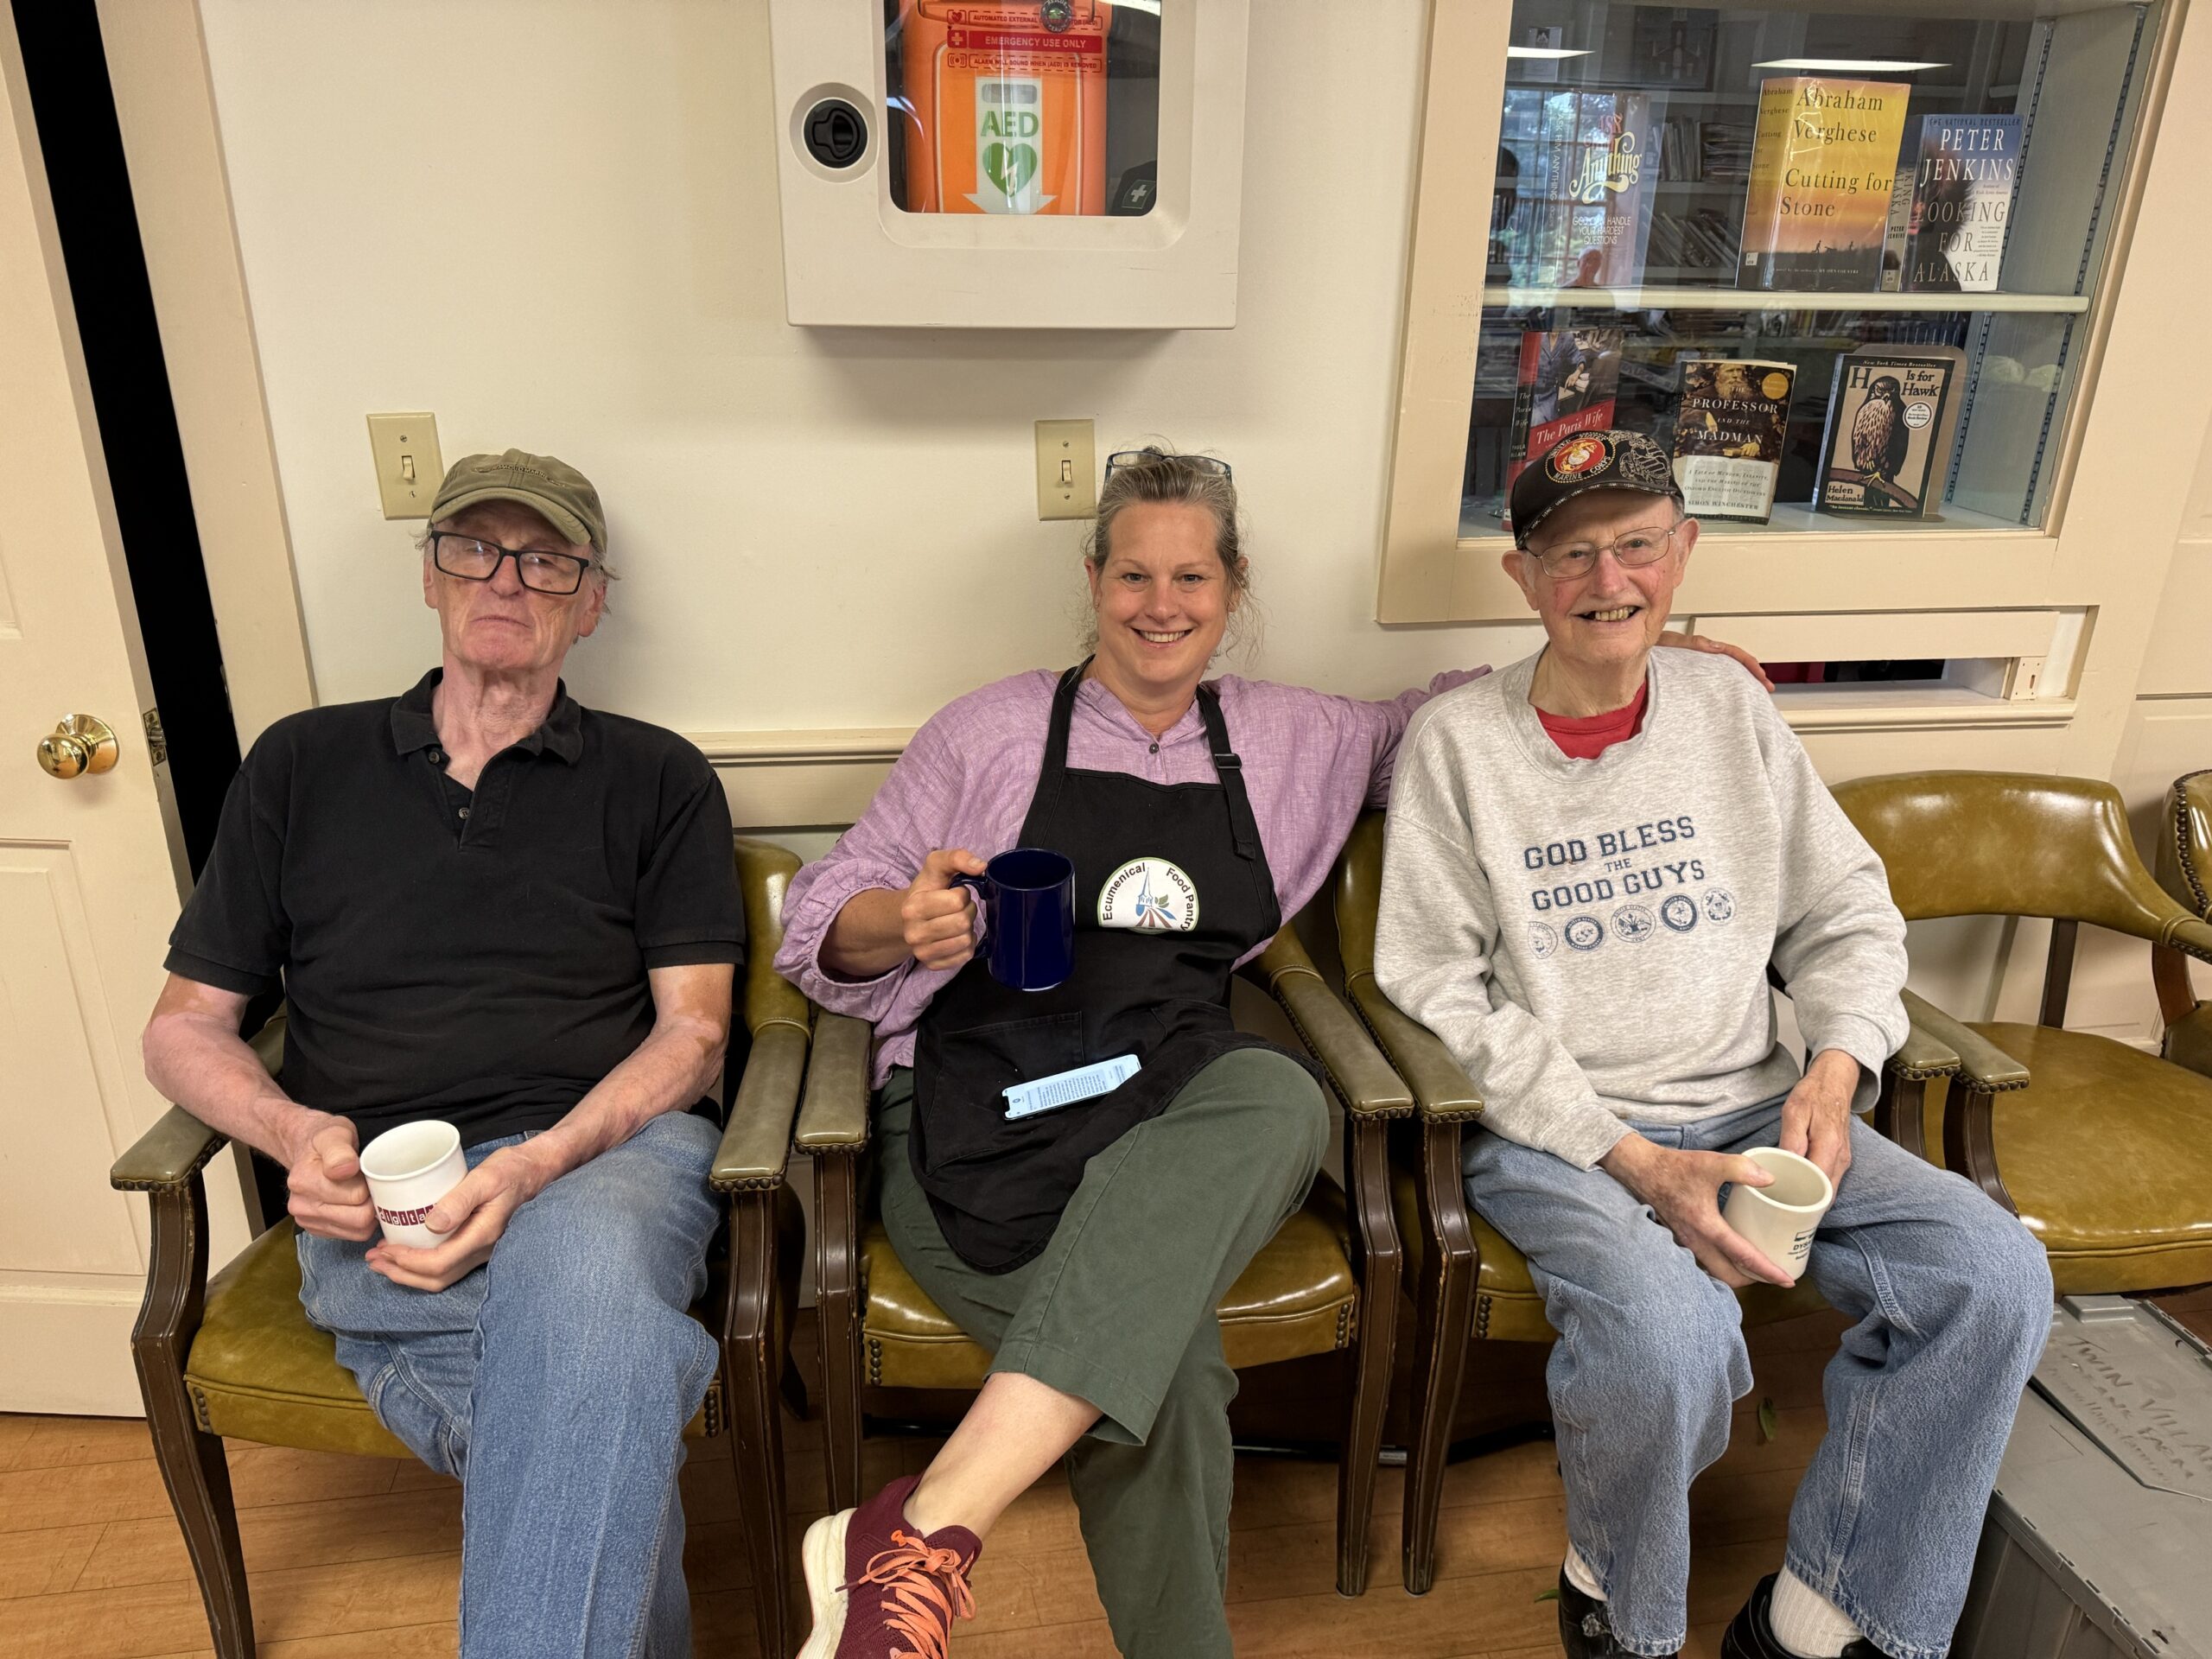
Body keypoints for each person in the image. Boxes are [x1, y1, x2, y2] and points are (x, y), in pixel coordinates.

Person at [772, 447, 1765, 1659]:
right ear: (1093, 580)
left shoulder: (1294, 739)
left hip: (1173, 1104)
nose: (1160, 604)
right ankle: (929, 1555)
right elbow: (820, 918)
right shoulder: (985, 731)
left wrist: (1640, 659)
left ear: (1233, 587)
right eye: (1133, 574)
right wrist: (904, 922)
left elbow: (1462, 720)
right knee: (1165, 1386)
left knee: (1283, 1094)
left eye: (1191, 576)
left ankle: (926, 1524)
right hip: (981, 1107)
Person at [1372, 429, 2052, 1659]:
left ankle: (1820, 1620)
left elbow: (1845, 909)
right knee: (1676, 1338)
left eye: (1637, 543)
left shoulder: (1728, 705)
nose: (1608, 578)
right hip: (1566, 1137)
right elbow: (1436, 987)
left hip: (1756, 1108)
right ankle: (1619, 1608)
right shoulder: (1459, 748)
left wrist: (1839, 1069)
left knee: (1993, 1277)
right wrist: (1635, 1162)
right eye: (1571, 551)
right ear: (1522, 577)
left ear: (1683, 551)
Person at [141, 450, 744, 1659]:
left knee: (581, 1310)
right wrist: (295, 1136)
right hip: (380, 1188)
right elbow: (182, 1027)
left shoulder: (657, 774)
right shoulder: (300, 766)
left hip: (597, 1160)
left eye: (546, 557)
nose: (505, 579)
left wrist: (538, 1165)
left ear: (592, 596)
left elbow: (695, 1031)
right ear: (430, 575)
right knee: (600, 1396)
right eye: (473, 548)